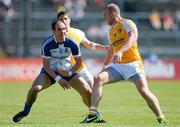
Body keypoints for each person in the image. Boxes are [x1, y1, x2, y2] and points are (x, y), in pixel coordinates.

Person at [81, 3, 167, 124]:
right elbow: (111, 50)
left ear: (113, 14)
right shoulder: (110, 31)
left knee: (144, 91)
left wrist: (121, 51)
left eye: (105, 15)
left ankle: (160, 117)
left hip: (133, 64)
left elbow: (133, 37)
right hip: (118, 66)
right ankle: (93, 114)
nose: (104, 17)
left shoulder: (127, 23)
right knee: (98, 79)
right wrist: (104, 66)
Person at [12, 21, 91, 122]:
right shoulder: (47, 44)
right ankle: (25, 111)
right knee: (35, 89)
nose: (62, 31)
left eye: (64, 29)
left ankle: (93, 114)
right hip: (49, 72)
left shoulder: (72, 44)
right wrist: (59, 79)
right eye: (59, 29)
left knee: (87, 90)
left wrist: (69, 73)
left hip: (66, 70)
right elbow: (46, 66)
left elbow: (79, 63)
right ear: (54, 31)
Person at [56, 11, 108, 88]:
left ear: (69, 20)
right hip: (66, 69)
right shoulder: (56, 36)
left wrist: (104, 47)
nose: (64, 21)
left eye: (65, 19)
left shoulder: (78, 32)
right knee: (85, 89)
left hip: (79, 67)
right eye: (61, 19)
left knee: (93, 86)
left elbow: (89, 44)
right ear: (58, 22)